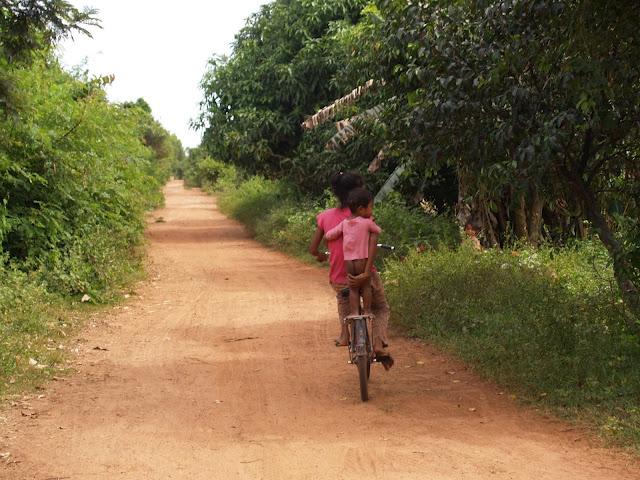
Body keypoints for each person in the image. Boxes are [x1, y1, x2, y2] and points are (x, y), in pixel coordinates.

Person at [309, 172, 393, 369]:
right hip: (365, 273)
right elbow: (373, 236)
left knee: (344, 299)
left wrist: (321, 255)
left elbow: (313, 249)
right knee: (381, 308)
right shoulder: (365, 215)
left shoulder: (325, 216)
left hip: (340, 277)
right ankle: (378, 343)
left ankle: (345, 334)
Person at [324, 187, 381, 319]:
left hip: (348, 263)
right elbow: (378, 231)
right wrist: (372, 221)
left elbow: (329, 235)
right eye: (370, 207)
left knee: (353, 289)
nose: (371, 210)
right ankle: (367, 311)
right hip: (362, 261)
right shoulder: (367, 223)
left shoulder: (344, 223)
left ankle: (354, 313)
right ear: (361, 209)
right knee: (366, 286)